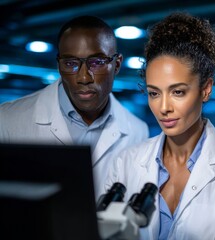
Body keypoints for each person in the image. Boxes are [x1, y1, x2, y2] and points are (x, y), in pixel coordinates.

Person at [105, 12, 215, 240]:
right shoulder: (125, 164)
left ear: (206, 89)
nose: (163, 107)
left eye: (178, 92)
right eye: (154, 93)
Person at [0, 15, 149, 200]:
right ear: (59, 65)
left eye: (97, 63)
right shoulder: (6, 121)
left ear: (116, 64)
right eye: (71, 64)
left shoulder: (137, 132)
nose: (84, 78)